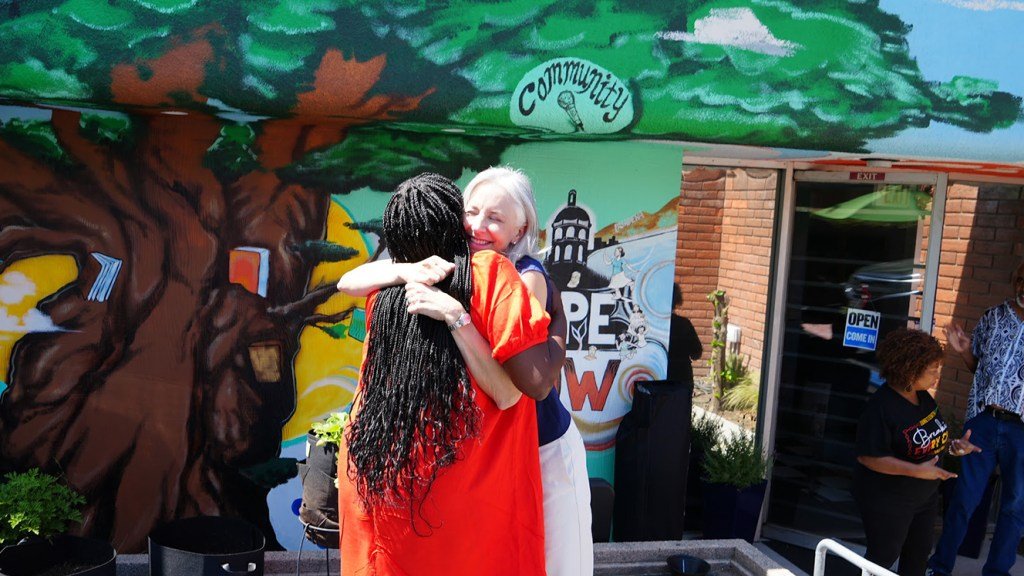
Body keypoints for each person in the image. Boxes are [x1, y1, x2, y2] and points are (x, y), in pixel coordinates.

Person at [338, 166, 594, 576]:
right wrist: (407, 272)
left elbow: (531, 385)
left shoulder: (516, 275)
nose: (478, 225)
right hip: (492, 462)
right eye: (471, 212)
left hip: (540, 445)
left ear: (520, 228)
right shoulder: (462, 276)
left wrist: (457, 314)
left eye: (495, 217)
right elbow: (349, 280)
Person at [853, 328, 979, 576]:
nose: (937, 374)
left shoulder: (923, 399)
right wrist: (917, 472)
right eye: (933, 369)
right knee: (882, 559)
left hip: (925, 498)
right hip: (889, 499)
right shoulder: (881, 407)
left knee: (917, 560)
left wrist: (954, 446)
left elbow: (928, 441)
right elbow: (868, 457)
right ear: (910, 368)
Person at [928, 260, 1024, 576]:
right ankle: (939, 567)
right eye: (1020, 278)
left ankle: (997, 572)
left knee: (1014, 507)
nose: (1023, 286)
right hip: (983, 422)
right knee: (964, 501)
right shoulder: (994, 317)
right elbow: (976, 366)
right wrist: (964, 351)